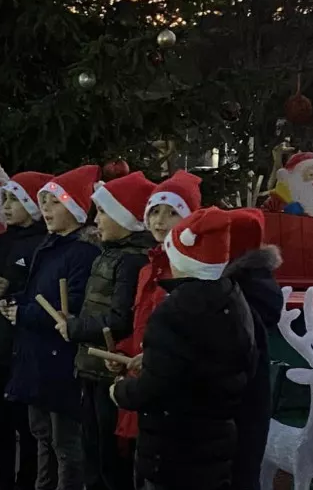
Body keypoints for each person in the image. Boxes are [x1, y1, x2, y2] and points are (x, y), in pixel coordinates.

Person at [111, 208, 257, 490]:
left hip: (172, 449)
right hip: (215, 446)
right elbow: (224, 364)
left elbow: (155, 389)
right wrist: (155, 359)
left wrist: (120, 390)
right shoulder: (232, 297)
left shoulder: (174, 311)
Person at [2, 165, 101, 490]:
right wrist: (16, 301)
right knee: (42, 434)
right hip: (38, 356)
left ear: (73, 208)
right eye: (43, 202)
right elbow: (37, 292)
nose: (45, 209)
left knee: (65, 442)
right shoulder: (49, 245)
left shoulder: (82, 253)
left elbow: (69, 305)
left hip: (60, 360)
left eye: (54, 203)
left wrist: (25, 313)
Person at [58, 172, 156, 490]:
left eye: (103, 212)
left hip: (108, 371)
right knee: (93, 451)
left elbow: (117, 319)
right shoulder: (109, 254)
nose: (95, 219)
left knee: (109, 459)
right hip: (92, 368)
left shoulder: (129, 261)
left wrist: (75, 328)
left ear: (126, 217)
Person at [108, 170, 202, 450]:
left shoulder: (189, 270)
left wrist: (153, 355)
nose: (160, 221)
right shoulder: (148, 268)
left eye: (172, 212)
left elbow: (191, 335)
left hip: (170, 388)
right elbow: (142, 324)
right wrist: (123, 352)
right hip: (142, 380)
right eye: (154, 211)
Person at [0, 172, 50, 490]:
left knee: (27, 426)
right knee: (1, 425)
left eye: (14, 199)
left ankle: (27, 480)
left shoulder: (43, 244)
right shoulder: (2, 241)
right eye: (4, 199)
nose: (7, 205)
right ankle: (4, 480)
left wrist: (11, 287)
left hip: (24, 349)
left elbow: (42, 293)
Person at [223, 209, 283, 490]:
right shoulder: (250, 283)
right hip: (245, 396)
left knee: (240, 473)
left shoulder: (245, 288)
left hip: (241, 398)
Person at [261, 151, 313, 221]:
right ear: (295, 178)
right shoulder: (277, 200)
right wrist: (283, 216)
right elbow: (264, 220)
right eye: (311, 175)